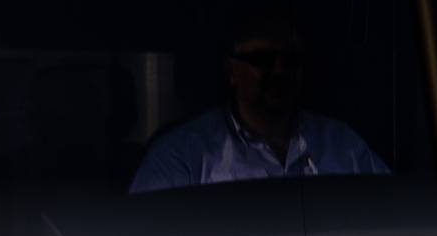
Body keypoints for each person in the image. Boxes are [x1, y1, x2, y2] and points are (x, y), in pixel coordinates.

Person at [129, 18, 391, 193]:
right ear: (231, 71)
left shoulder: (343, 145)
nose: (278, 71)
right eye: (261, 59)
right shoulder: (182, 156)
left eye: (290, 60)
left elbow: (389, 219)